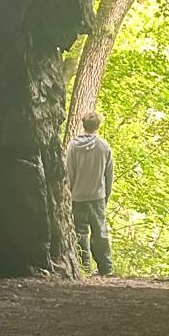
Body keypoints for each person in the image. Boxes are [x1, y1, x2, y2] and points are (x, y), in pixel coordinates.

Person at [66, 110, 115, 276]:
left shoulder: (73, 146)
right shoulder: (104, 146)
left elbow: (69, 172)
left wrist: (69, 192)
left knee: (80, 233)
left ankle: (84, 266)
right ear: (98, 126)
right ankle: (106, 268)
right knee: (100, 232)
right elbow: (109, 175)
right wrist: (106, 195)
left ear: (83, 125)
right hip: (97, 196)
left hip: (77, 195)